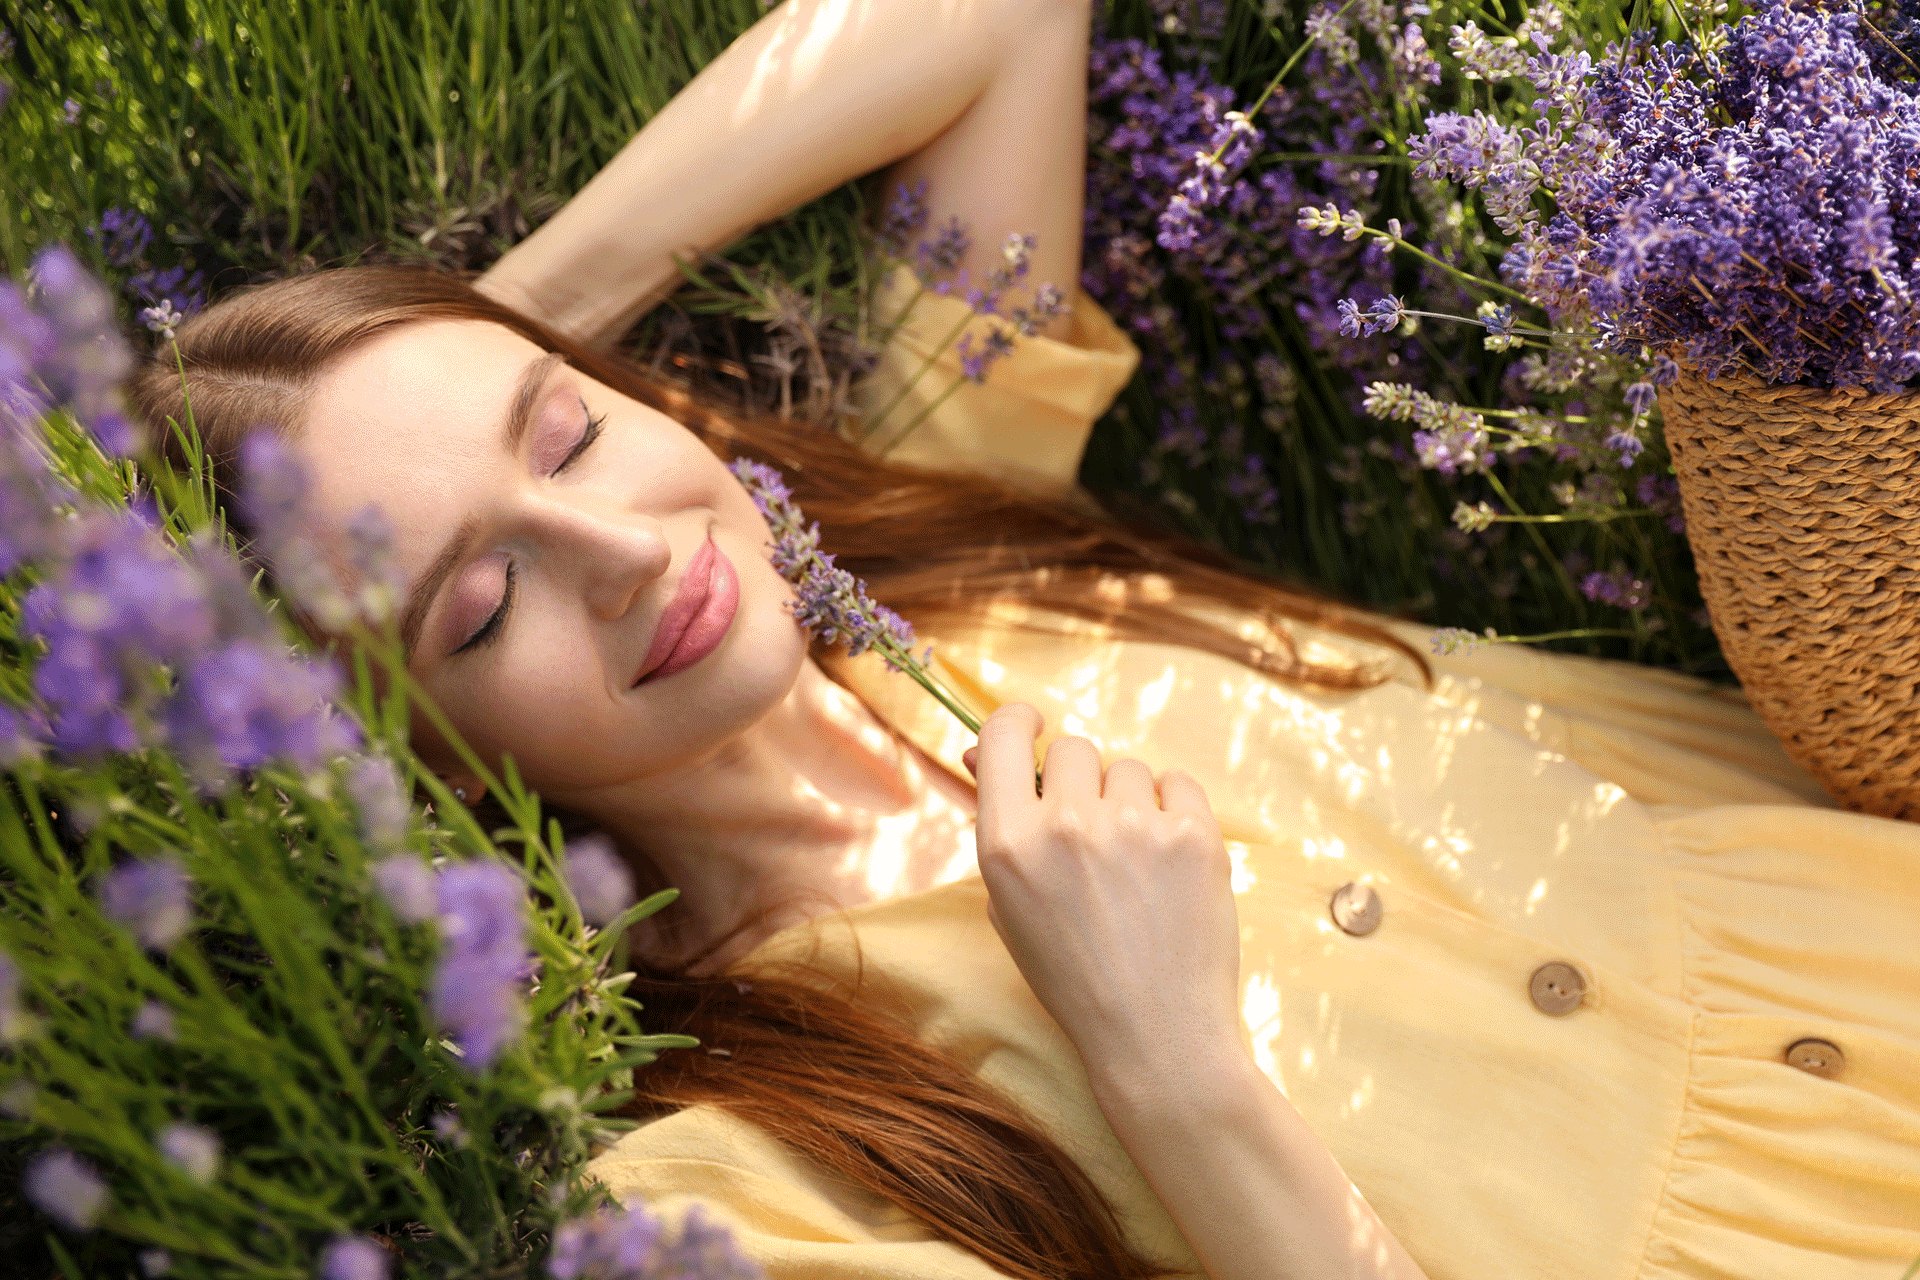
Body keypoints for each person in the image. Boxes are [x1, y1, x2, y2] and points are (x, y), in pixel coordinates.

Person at [125, 1, 1920, 1278]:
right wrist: (1173, 1075)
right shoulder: (743, 1175)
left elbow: (992, 15)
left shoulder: (941, 535)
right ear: (414, 756)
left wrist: (496, 327)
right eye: (481, 602)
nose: (615, 551)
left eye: (575, 437)